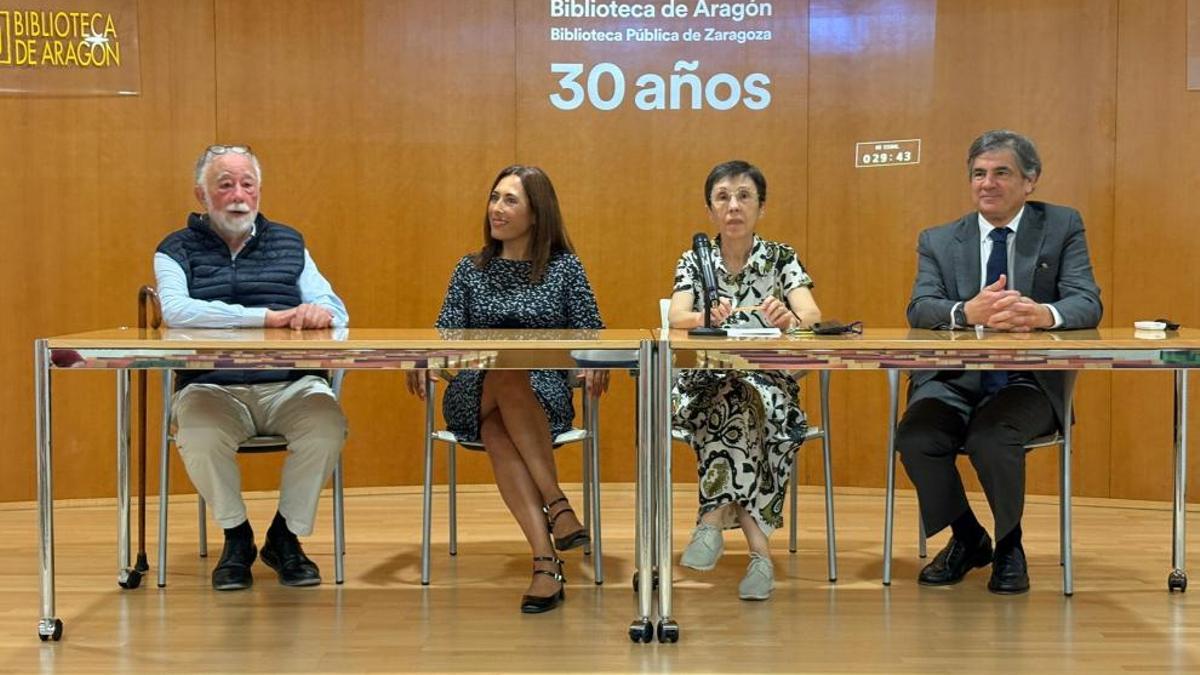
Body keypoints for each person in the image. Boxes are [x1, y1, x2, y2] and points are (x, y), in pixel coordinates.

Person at [897, 129, 1102, 594]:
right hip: (953, 379)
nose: (987, 183)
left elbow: (1087, 302)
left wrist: (1042, 314)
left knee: (991, 438)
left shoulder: (1062, 225)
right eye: (979, 174)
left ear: (1030, 181)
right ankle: (969, 538)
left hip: (1025, 381)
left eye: (1001, 173)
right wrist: (965, 312)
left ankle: (1010, 545)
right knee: (916, 437)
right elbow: (920, 307)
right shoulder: (940, 239)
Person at [405, 165, 607, 613]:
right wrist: (424, 361)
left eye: (510, 200)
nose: (497, 208)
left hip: (544, 396)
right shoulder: (470, 269)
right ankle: (557, 504)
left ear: (538, 213)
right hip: (471, 393)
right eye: (494, 198)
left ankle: (545, 563)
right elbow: (445, 338)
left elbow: (594, 335)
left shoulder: (564, 269)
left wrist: (595, 366)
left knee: (500, 428)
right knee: (504, 367)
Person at [154, 145, 349, 591]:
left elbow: (335, 307)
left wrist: (321, 313)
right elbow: (177, 311)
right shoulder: (175, 248)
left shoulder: (289, 241)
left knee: (326, 423)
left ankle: (285, 536)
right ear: (201, 195)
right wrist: (267, 318)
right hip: (211, 387)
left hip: (290, 385)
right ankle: (236, 534)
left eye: (248, 184)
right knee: (199, 434)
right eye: (225, 185)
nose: (238, 195)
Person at [667, 160, 821, 601]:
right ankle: (760, 556)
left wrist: (789, 318)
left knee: (746, 401)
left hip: (769, 382)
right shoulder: (696, 258)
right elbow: (678, 316)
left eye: (744, 196)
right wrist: (705, 318)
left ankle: (711, 521)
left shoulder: (781, 257)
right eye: (723, 197)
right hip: (705, 382)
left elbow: (811, 316)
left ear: (761, 207)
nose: (733, 205)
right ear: (711, 209)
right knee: (736, 400)